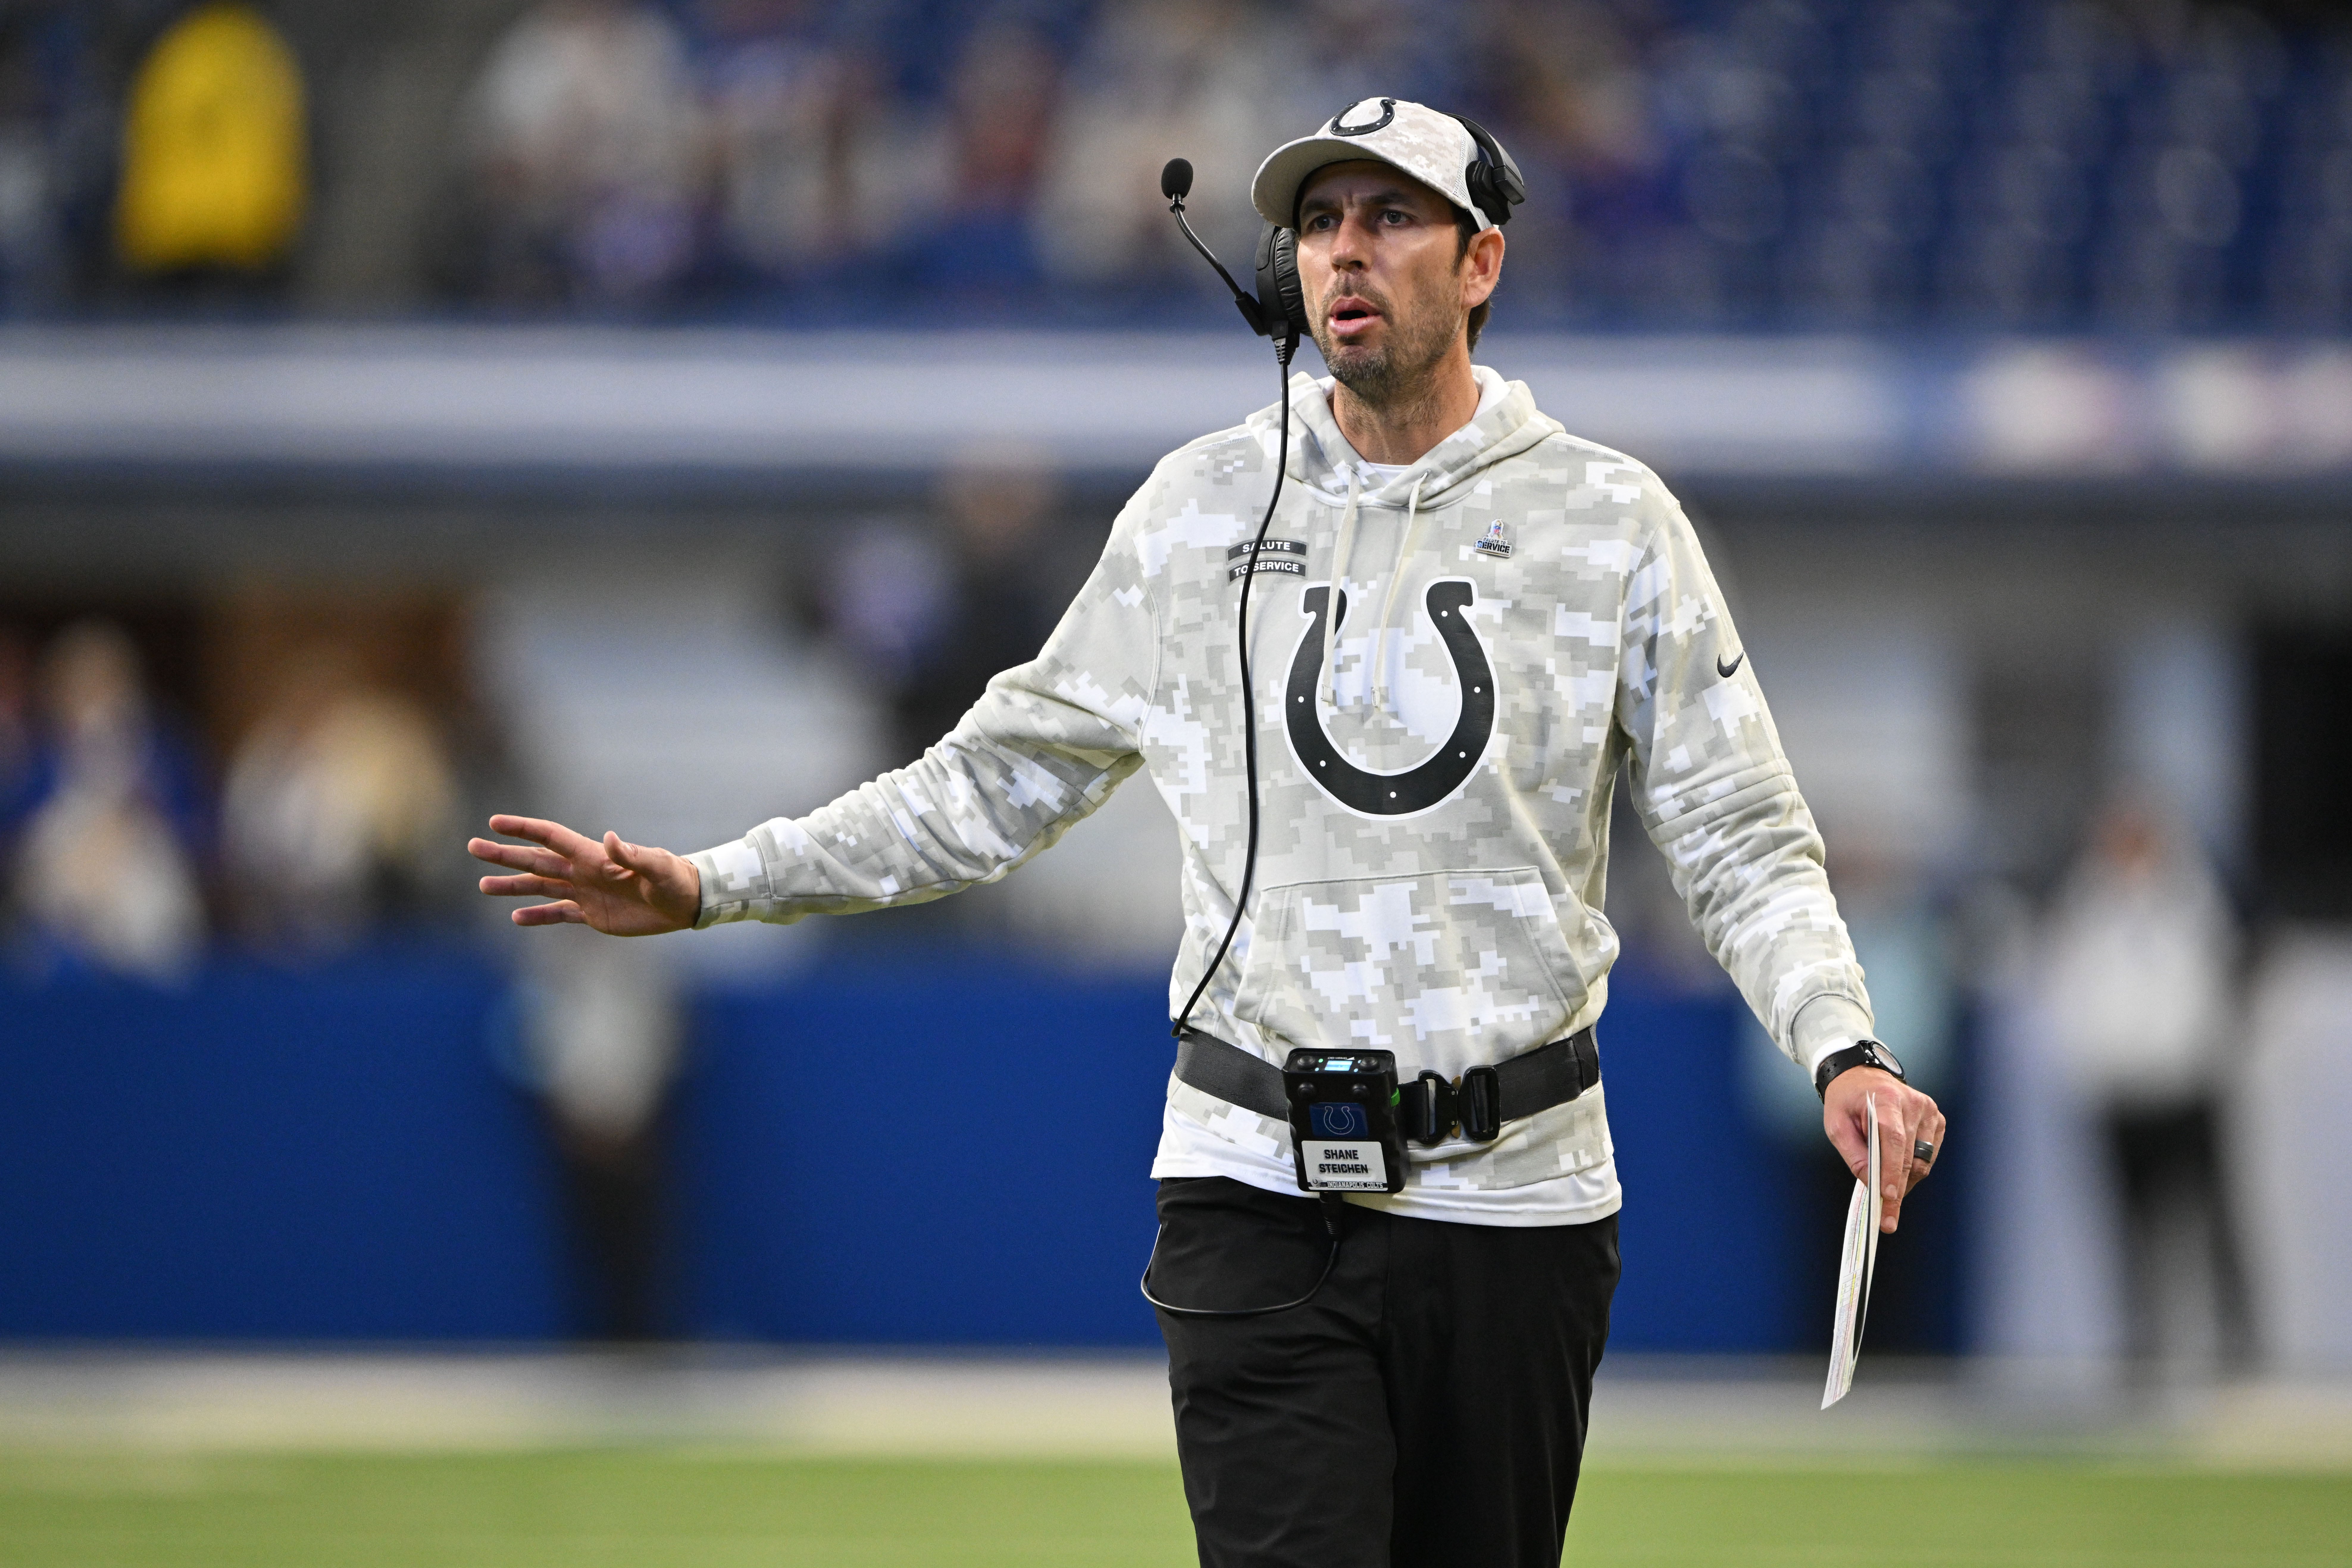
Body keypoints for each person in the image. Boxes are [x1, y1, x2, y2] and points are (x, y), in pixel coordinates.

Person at [471, 97, 1947, 1568]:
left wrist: (1840, 1040)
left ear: (1480, 262)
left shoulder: (1611, 520)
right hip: (1254, 1184)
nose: (1341, 254)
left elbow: (1740, 832)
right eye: (1315, 223)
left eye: (1387, 218)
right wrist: (715, 883)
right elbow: (988, 784)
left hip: (1522, 1200)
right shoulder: (1197, 510)